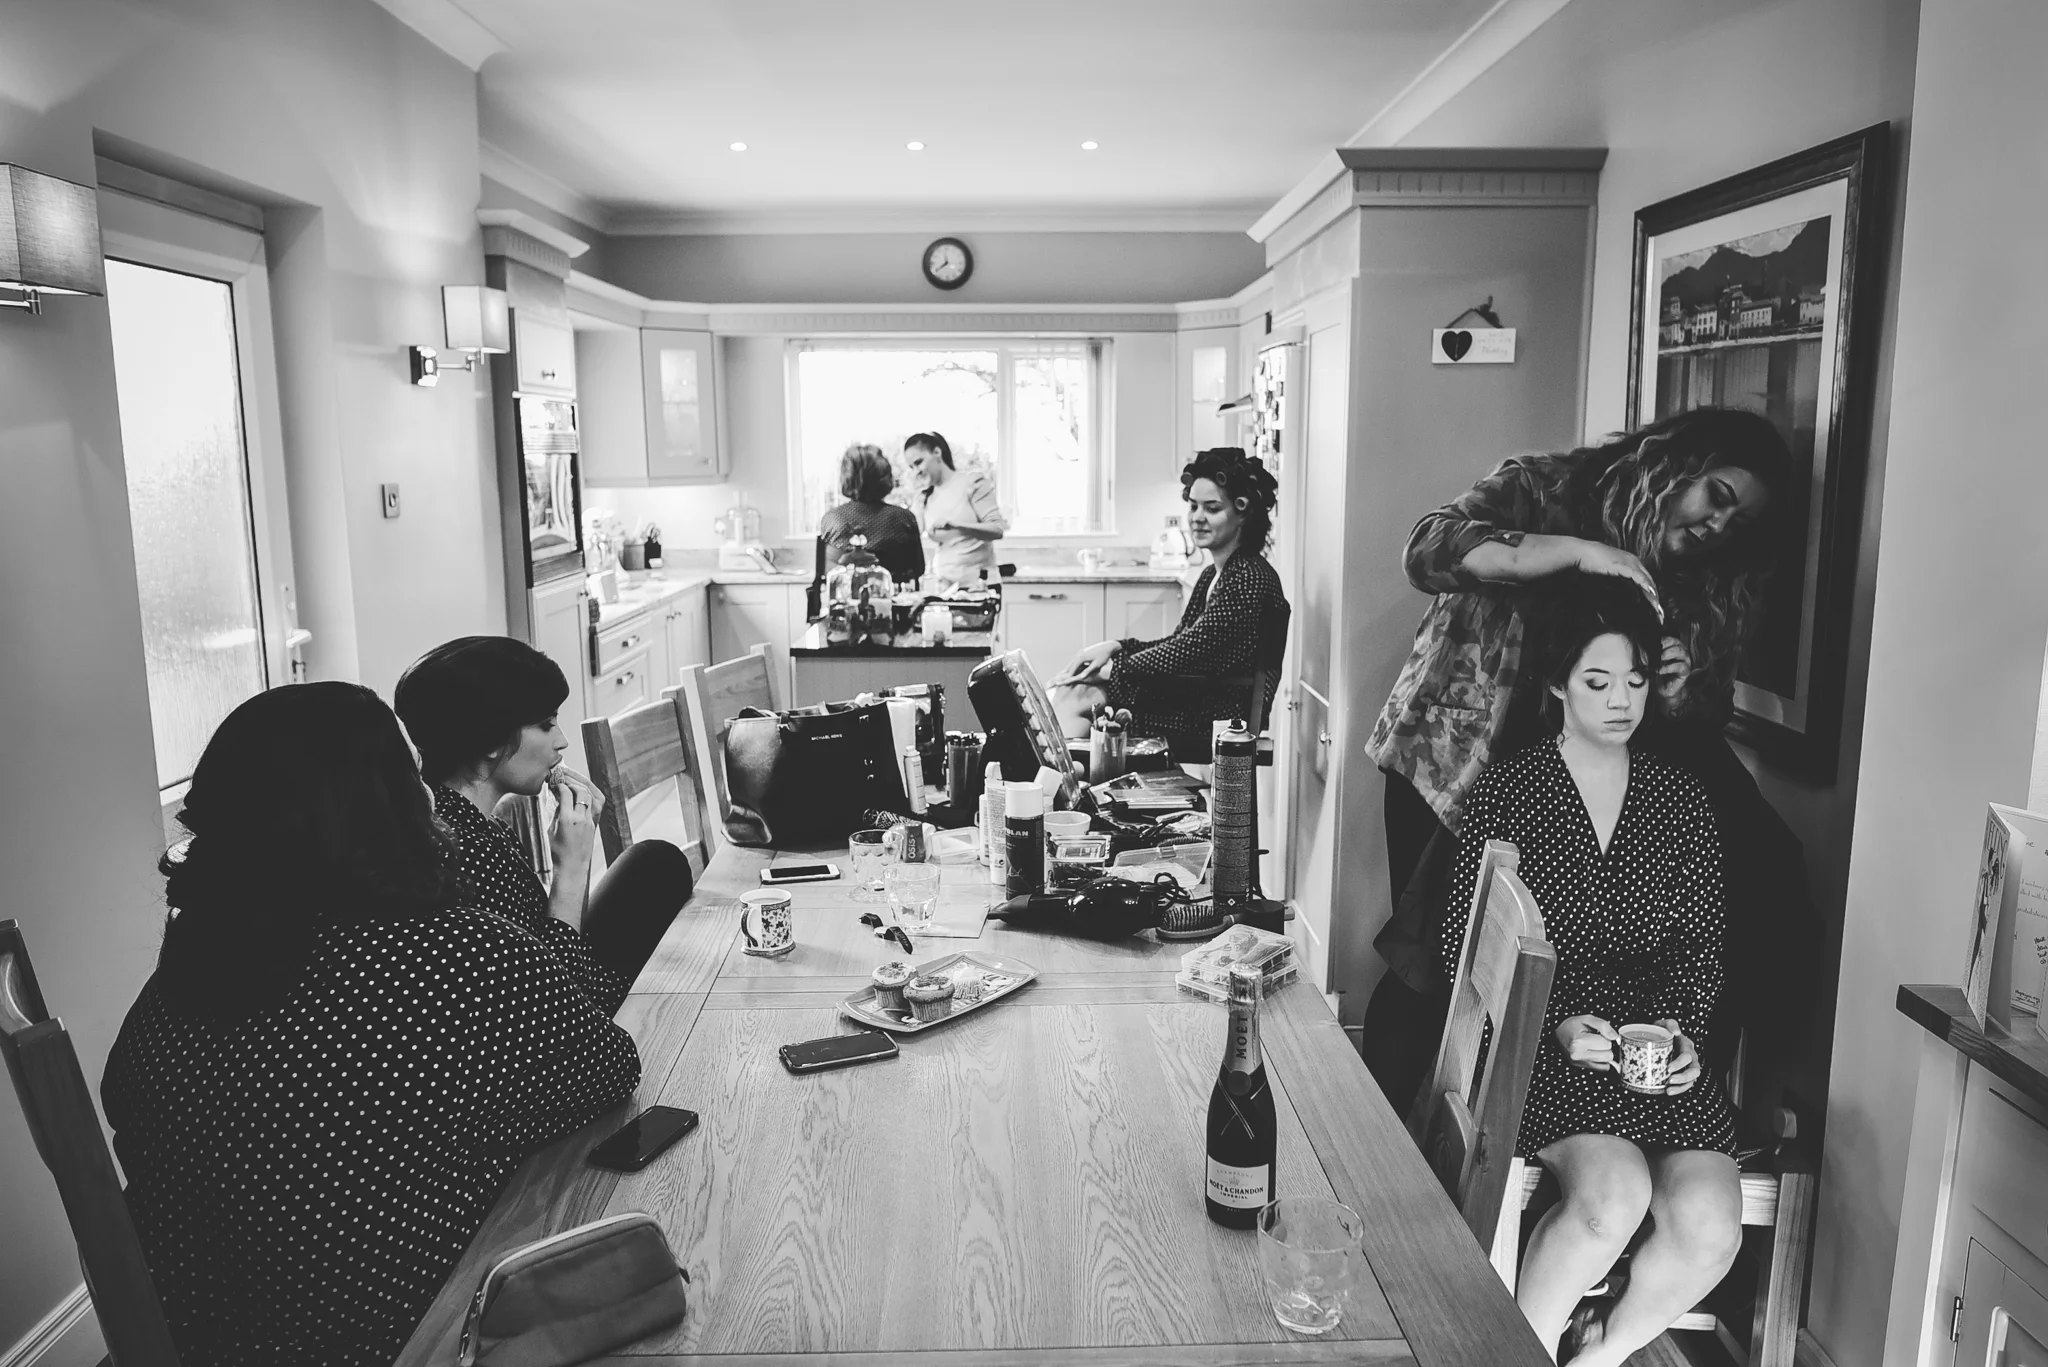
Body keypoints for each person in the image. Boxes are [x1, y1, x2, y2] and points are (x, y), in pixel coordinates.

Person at [102, 683, 639, 1367]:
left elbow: (130, 1107)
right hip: (401, 1337)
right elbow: (608, 1067)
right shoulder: (460, 952)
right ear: (388, 805)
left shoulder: (182, 975)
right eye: (410, 774)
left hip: (207, 1339)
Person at [1360, 407, 1812, 1116]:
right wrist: (1575, 553)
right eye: (1717, 497)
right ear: (1676, 462)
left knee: (1521, 974)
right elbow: (1429, 547)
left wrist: (1679, 678)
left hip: (1560, 791)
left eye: (1739, 523)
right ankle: (1379, 1147)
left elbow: (1698, 716)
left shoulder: (1699, 579)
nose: (1717, 527)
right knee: (1436, 969)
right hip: (1450, 765)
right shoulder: (1544, 488)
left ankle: (1490, 1147)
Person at [1441, 581, 1740, 1366]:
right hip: (1543, 1047)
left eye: (1636, 682)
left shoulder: (1681, 798)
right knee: (1613, 1197)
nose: (1621, 701)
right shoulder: (1509, 791)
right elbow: (1459, 949)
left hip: (1652, 1057)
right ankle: (1516, 1355)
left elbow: (1701, 947)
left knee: (1711, 1224)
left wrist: (1682, 1035)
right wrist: (1555, 1023)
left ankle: (1600, 1352)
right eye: (1597, 682)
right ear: (1554, 684)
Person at [395, 635, 692, 1011]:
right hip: (552, 1013)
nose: (562, 740)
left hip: (554, 974)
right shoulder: (468, 854)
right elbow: (550, 999)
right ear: (491, 739)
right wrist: (570, 868)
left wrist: (578, 855)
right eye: (547, 724)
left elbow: (554, 932)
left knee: (654, 863)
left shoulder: (474, 821)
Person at [1051, 447, 1287, 763]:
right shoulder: (1215, 573)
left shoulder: (1246, 577)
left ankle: (1069, 793)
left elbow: (1193, 649)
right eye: (1193, 506)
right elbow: (1180, 642)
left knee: (1081, 697)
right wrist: (1117, 646)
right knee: (1079, 691)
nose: (1197, 518)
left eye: (1212, 508)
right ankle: (1082, 791)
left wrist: (1115, 669)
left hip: (1219, 715)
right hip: (1201, 697)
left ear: (1243, 512)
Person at [907, 430, 1007, 586]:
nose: (916, 471)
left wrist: (957, 525)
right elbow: (912, 534)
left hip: (979, 586)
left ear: (937, 452)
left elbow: (997, 529)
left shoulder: (972, 483)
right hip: (944, 585)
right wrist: (917, 500)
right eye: (911, 467)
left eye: (919, 462)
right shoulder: (925, 497)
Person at [818, 442, 924, 582]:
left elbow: (827, 572)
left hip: (845, 601)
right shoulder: (903, 518)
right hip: (891, 600)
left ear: (846, 477)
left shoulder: (832, 519)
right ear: (885, 475)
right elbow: (918, 569)